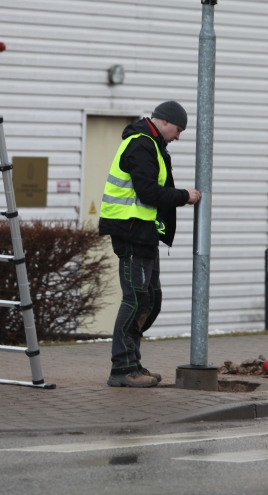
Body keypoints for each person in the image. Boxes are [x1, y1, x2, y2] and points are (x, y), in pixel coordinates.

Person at [99, 101, 201, 388]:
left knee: (150, 300)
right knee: (136, 300)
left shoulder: (152, 144)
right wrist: (184, 196)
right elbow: (147, 192)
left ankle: (133, 362)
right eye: (178, 129)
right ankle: (122, 368)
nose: (178, 136)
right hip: (131, 232)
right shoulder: (141, 144)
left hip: (144, 234)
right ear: (165, 122)